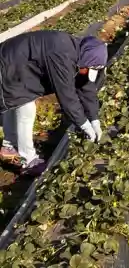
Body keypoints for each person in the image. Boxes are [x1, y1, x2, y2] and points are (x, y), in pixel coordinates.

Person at [0, 31, 107, 176]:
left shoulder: (79, 54)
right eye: (87, 69)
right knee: (25, 108)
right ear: (85, 60)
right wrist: (84, 124)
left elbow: (86, 86)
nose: (85, 73)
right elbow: (66, 96)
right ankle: (28, 161)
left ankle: (9, 146)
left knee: (16, 103)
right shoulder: (61, 54)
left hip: (18, 65)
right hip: (8, 64)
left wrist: (94, 119)